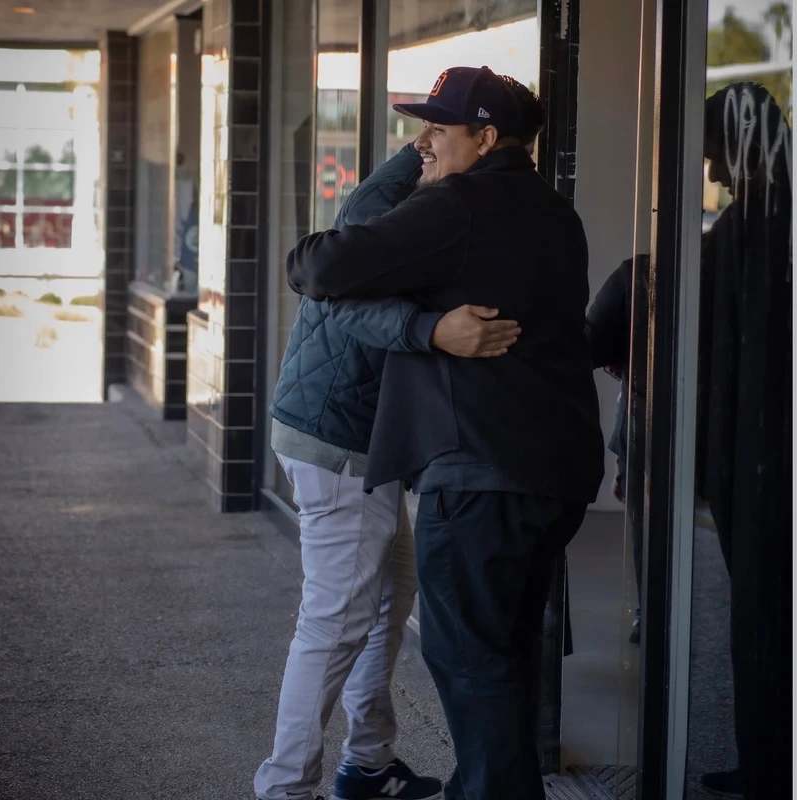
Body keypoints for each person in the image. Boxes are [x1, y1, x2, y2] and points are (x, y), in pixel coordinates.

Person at [287, 66, 604, 800]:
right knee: (507, 654)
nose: (424, 141)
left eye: (438, 128)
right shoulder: (558, 212)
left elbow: (326, 264)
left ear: (486, 138)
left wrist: (309, 254)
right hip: (553, 474)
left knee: (470, 660)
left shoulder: (459, 205)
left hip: (479, 473)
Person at [254, 136, 521, 800]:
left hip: (339, 438)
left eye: (439, 141)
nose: (431, 153)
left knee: (387, 600)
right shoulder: (401, 216)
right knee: (335, 618)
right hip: (337, 442)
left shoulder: (397, 194)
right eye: (427, 145)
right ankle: (285, 788)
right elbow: (341, 304)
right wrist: (430, 330)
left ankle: (368, 763)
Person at [695, 83, 791, 800]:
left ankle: (766, 769)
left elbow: (715, 360)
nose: (710, 166)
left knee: (760, 616)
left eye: (715, 149)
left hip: (753, 462)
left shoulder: (740, 232)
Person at [585, 253, 650, 643]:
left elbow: (590, 344)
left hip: (651, 422)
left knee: (648, 520)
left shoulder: (639, 271)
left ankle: (650, 610)